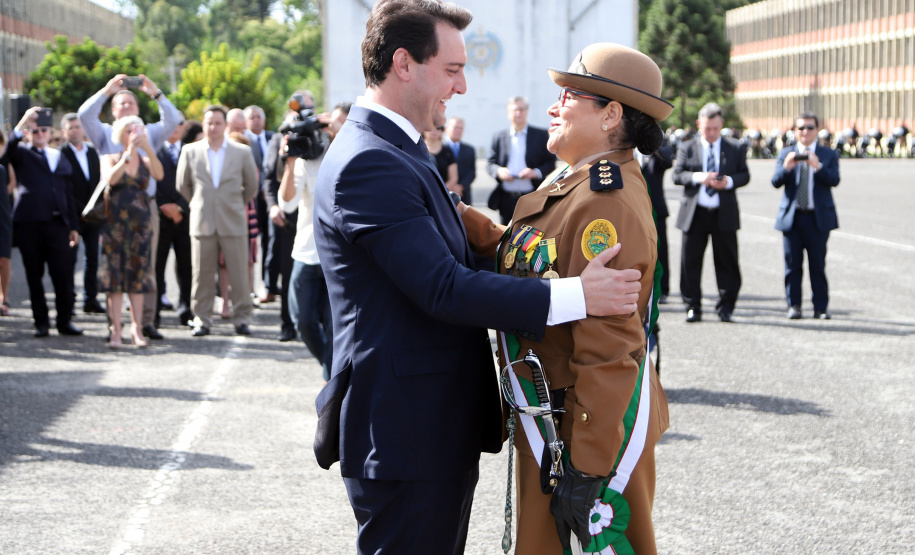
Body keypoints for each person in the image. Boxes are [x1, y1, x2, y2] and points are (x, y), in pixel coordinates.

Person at [312, 2, 643, 553]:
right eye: (451, 70)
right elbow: (444, 287)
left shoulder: (398, 149)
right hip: (407, 433)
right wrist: (576, 295)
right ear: (403, 64)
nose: (461, 87)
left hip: (428, 429)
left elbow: (465, 255)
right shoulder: (370, 161)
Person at [460, 41, 671, 555]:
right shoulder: (577, 180)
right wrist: (452, 213)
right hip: (553, 421)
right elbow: (531, 255)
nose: (553, 107)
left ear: (611, 115)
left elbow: (609, 346)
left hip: (580, 431)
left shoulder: (607, 202)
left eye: (569, 96)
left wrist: (588, 465)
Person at [79, 74, 181, 341]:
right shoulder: (105, 135)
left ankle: (144, 323)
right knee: (114, 271)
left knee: (145, 268)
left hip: (144, 210)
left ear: (139, 109)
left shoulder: (148, 132)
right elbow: (84, 115)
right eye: (121, 104)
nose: (126, 107)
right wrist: (106, 91)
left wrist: (156, 93)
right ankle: (115, 326)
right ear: (113, 111)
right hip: (114, 214)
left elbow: (174, 119)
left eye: (131, 103)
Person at [278, 103, 349, 381]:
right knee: (303, 321)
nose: (332, 129)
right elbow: (287, 203)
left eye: (339, 123)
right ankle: (332, 373)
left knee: (335, 326)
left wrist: (340, 131)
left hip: (339, 255)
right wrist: (290, 161)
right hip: (307, 250)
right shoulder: (308, 157)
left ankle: (332, 382)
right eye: (330, 122)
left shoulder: (353, 155)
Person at [177, 105, 259, 337]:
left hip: (233, 220)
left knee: (239, 274)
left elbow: (251, 186)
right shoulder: (190, 151)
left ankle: (242, 318)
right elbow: (182, 185)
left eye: (217, 123)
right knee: (201, 274)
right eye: (209, 123)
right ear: (203, 125)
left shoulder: (241, 152)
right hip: (202, 221)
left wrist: (234, 204)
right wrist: (200, 202)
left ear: (225, 126)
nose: (213, 127)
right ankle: (201, 319)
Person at [5, 107, 82, 337]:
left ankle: (64, 321)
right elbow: (7, 150)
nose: (39, 134)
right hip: (30, 224)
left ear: (51, 133)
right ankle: (41, 322)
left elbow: (68, 194)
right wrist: (23, 122)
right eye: (35, 131)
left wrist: (74, 226)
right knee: (34, 275)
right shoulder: (21, 153)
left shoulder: (59, 156)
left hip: (57, 224)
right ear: (28, 133)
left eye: (44, 130)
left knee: (62, 274)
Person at [672, 102, 750, 323]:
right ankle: (692, 306)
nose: (712, 133)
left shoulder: (734, 147)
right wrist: (699, 177)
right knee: (690, 262)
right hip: (695, 214)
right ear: (699, 124)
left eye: (716, 128)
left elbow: (745, 175)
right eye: (708, 128)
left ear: (722, 124)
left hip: (723, 213)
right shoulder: (688, 146)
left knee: (727, 262)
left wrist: (729, 182)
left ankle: (726, 307)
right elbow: (677, 175)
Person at [99, 117, 164, 348]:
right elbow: (111, 178)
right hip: (115, 226)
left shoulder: (146, 160)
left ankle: (137, 328)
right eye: (128, 131)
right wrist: (127, 154)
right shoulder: (110, 157)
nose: (133, 135)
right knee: (114, 279)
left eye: (136, 130)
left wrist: (147, 148)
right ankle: (116, 329)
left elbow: (159, 175)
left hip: (140, 227)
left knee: (138, 277)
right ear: (120, 134)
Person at [771, 112, 840, 320]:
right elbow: (775, 181)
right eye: (801, 128)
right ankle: (794, 306)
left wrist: (818, 167)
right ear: (794, 131)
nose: (805, 132)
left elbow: (834, 180)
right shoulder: (786, 153)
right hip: (792, 218)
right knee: (792, 266)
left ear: (817, 130)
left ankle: (820, 307)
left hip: (817, 218)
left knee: (817, 265)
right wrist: (787, 167)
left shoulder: (828, 154)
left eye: (810, 127)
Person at [59, 113, 106, 314]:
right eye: (70, 128)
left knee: (93, 259)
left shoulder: (93, 153)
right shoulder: (60, 155)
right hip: (72, 217)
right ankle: (69, 301)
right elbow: (63, 188)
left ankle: (90, 299)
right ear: (64, 132)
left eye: (78, 127)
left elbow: (98, 184)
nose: (75, 131)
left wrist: (93, 210)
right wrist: (80, 211)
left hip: (93, 217)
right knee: (69, 261)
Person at [487, 95, 557, 224]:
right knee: (506, 234)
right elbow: (490, 163)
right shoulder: (499, 136)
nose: (518, 113)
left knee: (531, 233)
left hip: (532, 196)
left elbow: (551, 163)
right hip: (506, 199)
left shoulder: (540, 135)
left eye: (521, 109)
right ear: (508, 113)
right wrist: (499, 171)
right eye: (514, 110)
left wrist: (535, 172)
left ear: (527, 112)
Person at [154, 118, 194, 328]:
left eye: (178, 124)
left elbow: (195, 183)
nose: (174, 128)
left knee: (187, 266)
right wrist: (163, 205)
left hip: (185, 218)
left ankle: (186, 310)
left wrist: (180, 207)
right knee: (157, 267)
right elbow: (150, 181)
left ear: (183, 127)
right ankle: (153, 314)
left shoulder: (191, 150)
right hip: (159, 217)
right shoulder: (153, 149)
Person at [244, 105, 276, 304]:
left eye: (258, 116)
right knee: (251, 243)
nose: (256, 120)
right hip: (252, 199)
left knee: (269, 242)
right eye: (252, 117)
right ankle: (250, 286)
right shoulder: (243, 141)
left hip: (271, 200)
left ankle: (268, 284)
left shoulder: (273, 137)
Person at [641, 137, 674, 302]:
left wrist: (651, 143)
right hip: (633, 212)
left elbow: (668, 160)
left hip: (656, 211)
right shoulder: (625, 152)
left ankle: (663, 289)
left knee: (660, 252)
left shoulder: (656, 153)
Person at [444, 116, 475, 204]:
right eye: (455, 128)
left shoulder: (469, 150)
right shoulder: (440, 148)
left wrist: (460, 187)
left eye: (460, 128)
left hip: (463, 195)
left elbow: (471, 172)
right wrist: (449, 187)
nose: (458, 130)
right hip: (443, 194)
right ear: (447, 129)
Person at [423, 124, 458, 191]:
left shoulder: (447, 151)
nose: (434, 131)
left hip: (444, 192)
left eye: (438, 128)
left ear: (442, 131)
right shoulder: (418, 149)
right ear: (424, 130)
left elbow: (453, 178)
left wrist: (441, 192)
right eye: (432, 127)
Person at [0, 131, 12, 317]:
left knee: (3, 260)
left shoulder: (1, 170)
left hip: (2, 221)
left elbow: (3, 205)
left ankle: (4, 298)